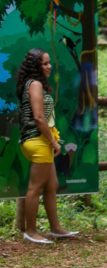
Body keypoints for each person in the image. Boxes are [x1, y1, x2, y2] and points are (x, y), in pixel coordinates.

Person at [16, 49, 78, 244]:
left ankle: (56, 228)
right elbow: (39, 117)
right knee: (35, 188)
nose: (48, 66)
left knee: (52, 186)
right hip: (37, 140)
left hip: (41, 140)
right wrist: (52, 142)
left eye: (49, 62)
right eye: (44, 63)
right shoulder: (34, 85)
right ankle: (31, 231)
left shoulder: (36, 84)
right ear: (35, 66)